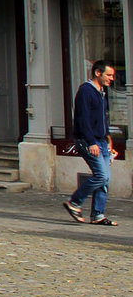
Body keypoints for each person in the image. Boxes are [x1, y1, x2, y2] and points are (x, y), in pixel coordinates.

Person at [66, 60, 118, 226]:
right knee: (101, 176)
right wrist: (91, 142)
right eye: (108, 75)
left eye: (112, 76)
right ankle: (74, 202)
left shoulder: (101, 92)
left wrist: (108, 138)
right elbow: (83, 119)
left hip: (101, 141)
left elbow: (102, 118)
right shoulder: (86, 91)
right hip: (88, 141)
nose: (111, 79)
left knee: (105, 179)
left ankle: (97, 215)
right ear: (97, 73)